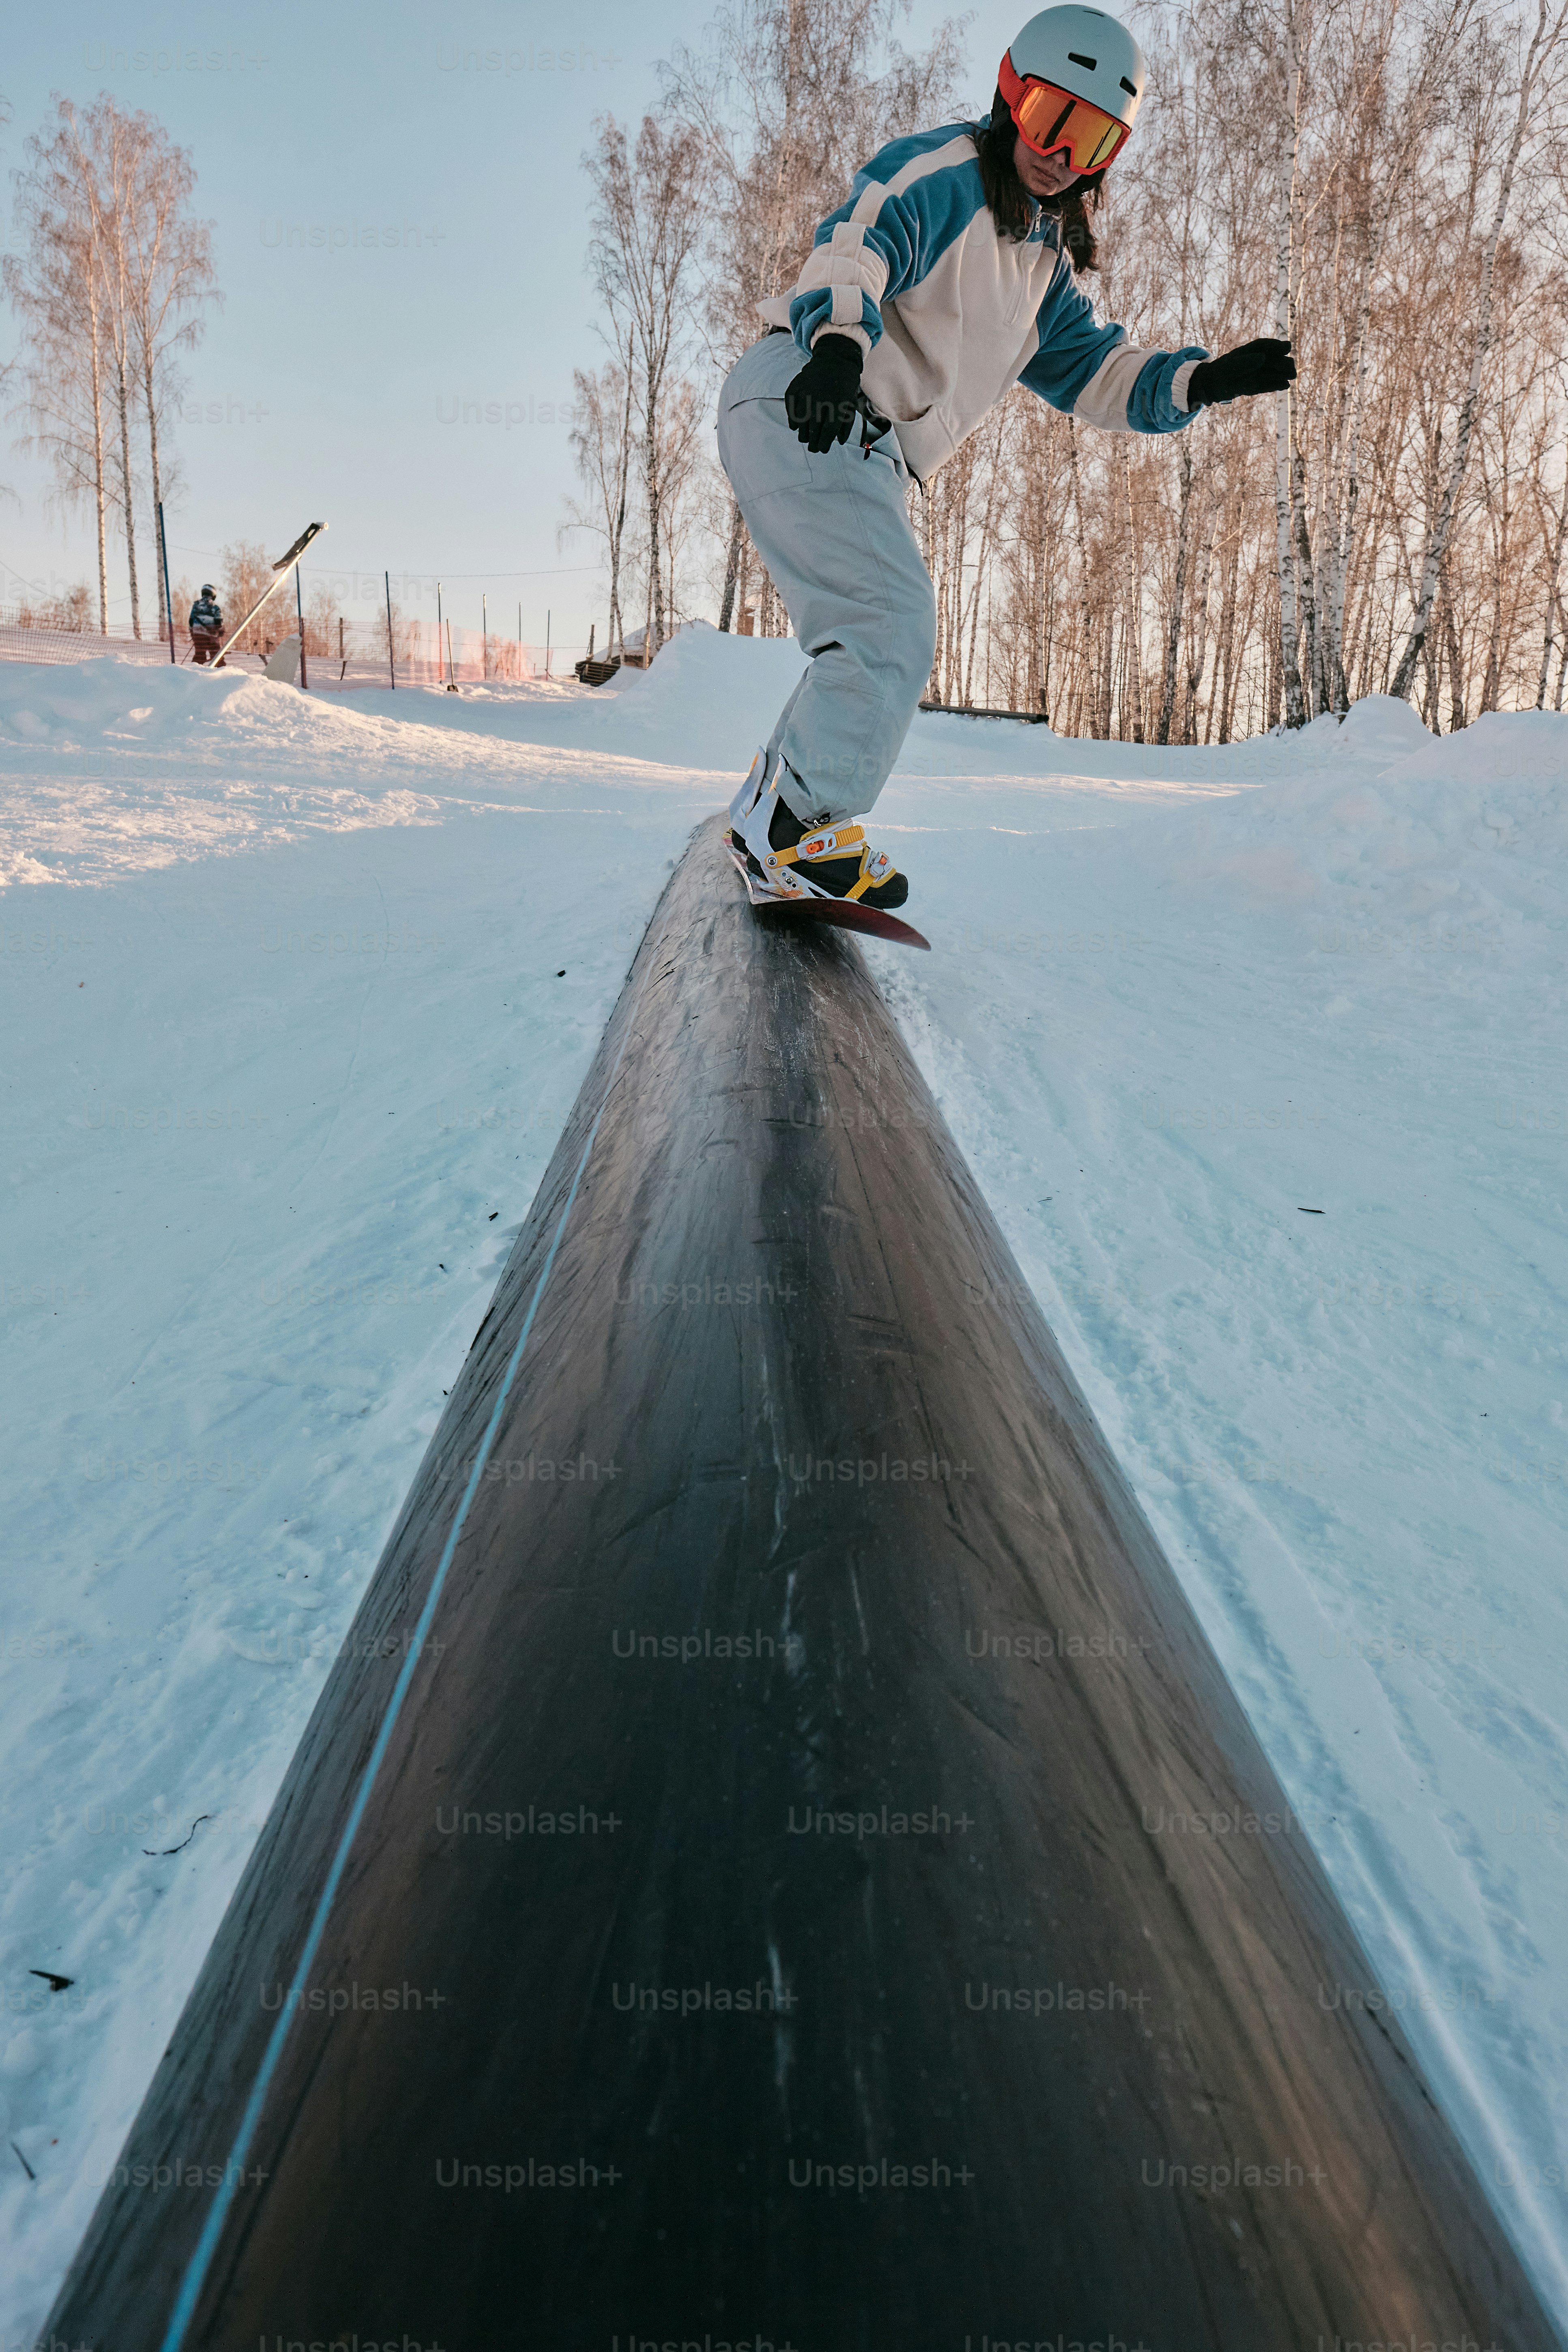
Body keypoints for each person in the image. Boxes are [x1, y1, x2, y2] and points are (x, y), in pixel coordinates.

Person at [720, 4, 1294, 913]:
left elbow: (1097, 371)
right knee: (889, 623)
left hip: (864, 440)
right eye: (1048, 119)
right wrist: (834, 344)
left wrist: (1203, 381)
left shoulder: (1042, 273)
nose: (1060, 154)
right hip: (809, 392)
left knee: (870, 629)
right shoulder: (943, 176)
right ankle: (795, 827)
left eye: (1090, 138)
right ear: (1008, 96)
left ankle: (776, 811)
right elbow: (857, 239)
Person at [189, 583, 224, 665]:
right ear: (214, 595)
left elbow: (191, 621)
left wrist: (193, 632)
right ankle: (221, 671)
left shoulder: (196, 606)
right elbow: (219, 623)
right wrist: (221, 632)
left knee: (200, 655)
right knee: (216, 656)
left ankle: (194, 670)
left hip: (198, 636)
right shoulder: (215, 608)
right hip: (211, 637)